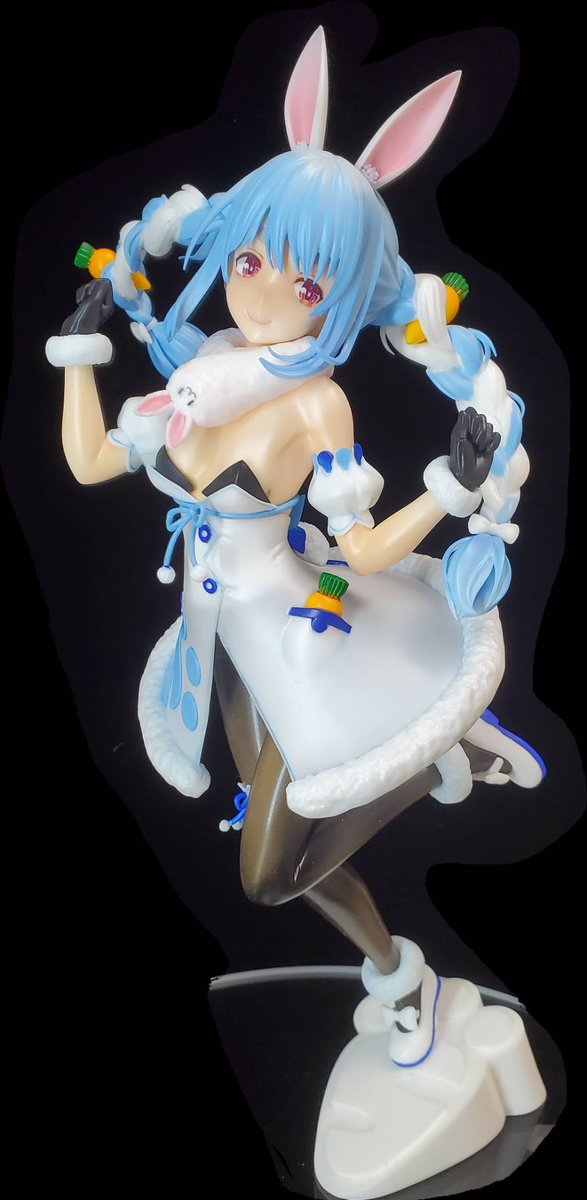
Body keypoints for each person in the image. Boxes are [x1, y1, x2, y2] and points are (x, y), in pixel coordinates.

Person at [45, 28, 546, 1182]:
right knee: (288, 860)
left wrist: (447, 489)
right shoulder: (203, 366)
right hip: (219, 640)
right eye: (252, 258)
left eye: (304, 281)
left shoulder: (315, 403)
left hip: (297, 634)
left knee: (271, 871)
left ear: (341, 296)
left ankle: (441, 749)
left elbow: (357, 544)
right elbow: (92, 462)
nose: (263, 290)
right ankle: (399, 982)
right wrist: (79, 351)